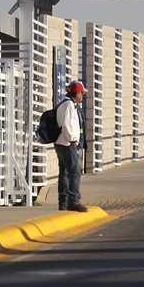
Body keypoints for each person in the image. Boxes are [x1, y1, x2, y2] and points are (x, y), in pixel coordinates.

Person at [55, 80, 88, 212]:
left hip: (61, 143)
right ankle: (73, 201)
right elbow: (66, 124)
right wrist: (72, 140)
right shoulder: (69, 105)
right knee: (74, 172)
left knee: (64, 172)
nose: (83, 96)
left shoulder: (66, 104)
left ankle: (63, 202)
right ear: (77, 93)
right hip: (67, 144)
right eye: (82, 93)